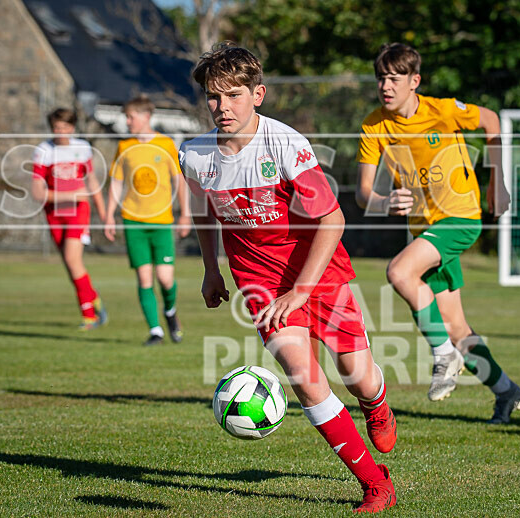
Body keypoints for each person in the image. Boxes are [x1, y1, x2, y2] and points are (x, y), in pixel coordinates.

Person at [180, 42, 397, 513]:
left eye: (233, 95)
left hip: (320, 273)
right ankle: (375, 483)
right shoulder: (195, 154)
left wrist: (301, 290)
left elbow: (333, 220)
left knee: (357, 376)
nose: (223, 107)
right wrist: (211, 270)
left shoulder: (285, 144)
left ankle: (376, 403)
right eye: (214, 98)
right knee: (304, 376)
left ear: (257, 94)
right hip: (258, 282)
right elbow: (203, 210)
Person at [355, 43, 520, 424]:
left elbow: (492, 120)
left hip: (461, 218)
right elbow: (365, 192)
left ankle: (443, 355)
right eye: (381, 78)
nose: (386, 85)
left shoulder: (442, 110)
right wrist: (384, 203)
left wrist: (497, 182)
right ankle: (506, 390)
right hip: (425, 228)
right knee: (455, 326)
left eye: (395, 79)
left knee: (399, 272)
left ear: (414, 81)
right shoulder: (373, 124)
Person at [104, 95, 191, 346]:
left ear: (146, 117)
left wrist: (185, 214)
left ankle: (171, 312)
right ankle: (156, 331)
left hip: (162, 221)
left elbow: (179, 182)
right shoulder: (124, 146)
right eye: (126, 117)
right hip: (133, 221)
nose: (128, 122)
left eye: (131, 117)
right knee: (144, 278)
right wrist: (109, 215)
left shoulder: (165, 144)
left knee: (165, 278)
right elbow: (117, 183)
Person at [32, 108, 107, 330]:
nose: (61, 132)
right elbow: (38, 193)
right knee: (70, 264)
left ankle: (89, 316)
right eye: (57, 128)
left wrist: (104, 214)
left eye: (65, 128)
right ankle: (93, 296)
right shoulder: (43, 151)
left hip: (78, 212)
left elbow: (92, 183)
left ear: (72, 128)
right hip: (54, 213)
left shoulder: (82, 149)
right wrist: (69, 194)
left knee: (73, 260)